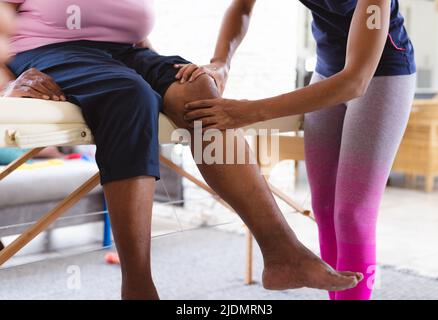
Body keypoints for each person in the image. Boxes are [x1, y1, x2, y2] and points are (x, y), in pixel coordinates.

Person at [0, 0, 362, 300]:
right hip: (46, 54)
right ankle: (138, 287)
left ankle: (282, 252)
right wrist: (8, 80)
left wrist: (166, 78)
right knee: (130, 96)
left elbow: (132, 35)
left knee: (199, 89)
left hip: (125, 55)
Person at [181, 0, 416, 300]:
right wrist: (220, 63)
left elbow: (356, 81)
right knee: (324, 208)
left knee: (352, 215)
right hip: (327, 70)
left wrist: (249, 112)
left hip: (382, 74)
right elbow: (242, 6)